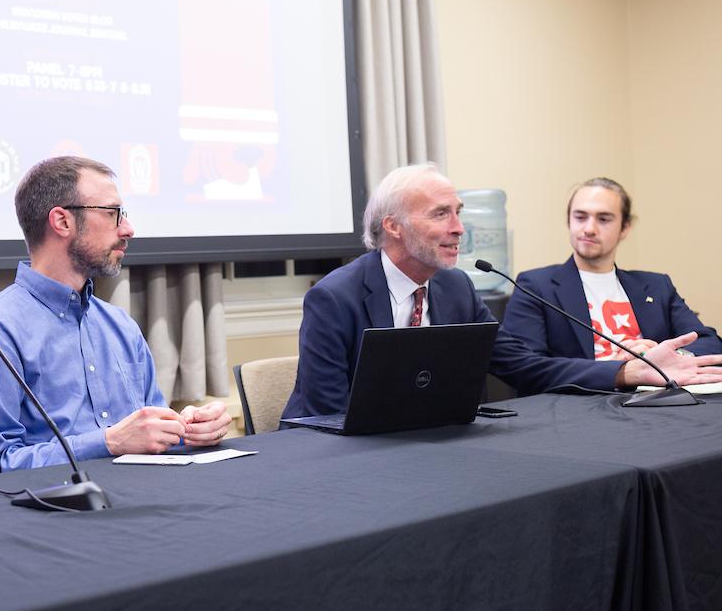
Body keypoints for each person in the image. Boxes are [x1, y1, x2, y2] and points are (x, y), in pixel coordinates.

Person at [281, 164, 722, 420]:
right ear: (393, 226)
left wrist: (628, 373)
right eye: (441, 215)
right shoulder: (334, 297)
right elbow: (328, 415)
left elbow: (524, 367)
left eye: (459, 212)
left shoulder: (456, 289)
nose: (459, 228)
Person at [0, 156, 230, 474]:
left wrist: (189, 431)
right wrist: (107, 443)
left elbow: (149, 437)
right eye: (112, 214)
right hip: (54, 514)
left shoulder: (120, 326)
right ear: (62, 222)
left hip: (142, 500)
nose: (128, 229)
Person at [502, 177, 720, 360]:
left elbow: (710, 343)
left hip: (655, 402)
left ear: (625, 228)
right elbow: (528, 368)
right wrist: (619, 370)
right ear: (569, 221)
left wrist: (664, 356)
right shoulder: (535, 286)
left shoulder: (656, 286)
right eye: (580, 217)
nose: (589, 229)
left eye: (603, 219)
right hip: (583, 405)